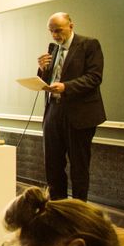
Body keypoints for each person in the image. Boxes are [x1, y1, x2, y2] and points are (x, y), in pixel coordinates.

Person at [37, 12, 105, 201]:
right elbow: (47, 80)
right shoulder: (53, 49)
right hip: (54, 111)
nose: (55, 35)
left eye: (58, 30)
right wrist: (42, 69)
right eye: (51, 31)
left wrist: (66, 87)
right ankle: (58, 208)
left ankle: (77, 212)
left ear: (71, 26)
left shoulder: (89, 45)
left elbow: (94, 77)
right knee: (53, 164)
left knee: (79, 167)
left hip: (80, 115)